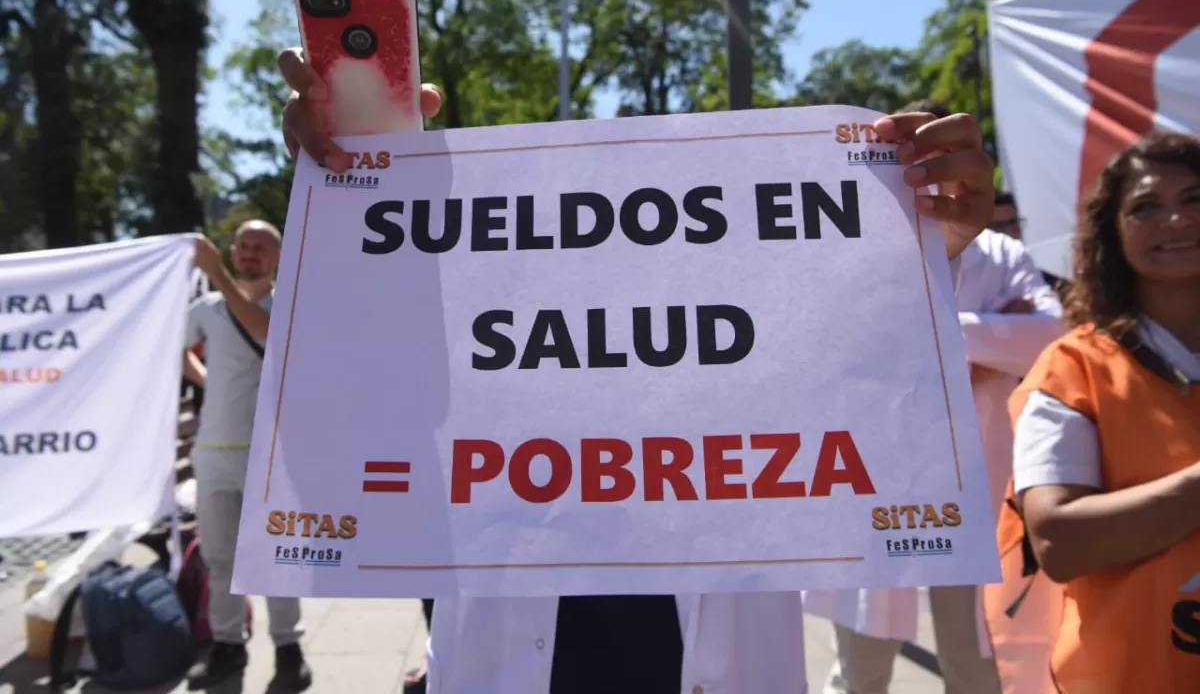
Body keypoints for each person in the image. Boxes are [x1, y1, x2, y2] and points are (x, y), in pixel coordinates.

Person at [276, 47, 1000, 694]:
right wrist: (354, 191)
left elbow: (868, 383)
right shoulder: (469, 392)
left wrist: (923, 257)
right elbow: (348, 400)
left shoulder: (770, 392)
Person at [806, 100, 1064, 694]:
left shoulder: (1003, 255)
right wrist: (988, 333)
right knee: (861, 670)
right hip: (881, 486)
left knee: (977, 668)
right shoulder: (851, 248)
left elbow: (1049, 337)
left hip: (979, 492)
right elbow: (833, 345)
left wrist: (930, 333)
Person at [985, 131, 1200, 692]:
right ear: (1114, 233)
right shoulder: (1073, 367)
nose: (1176, 220)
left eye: (1195, 199)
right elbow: (1059, 540)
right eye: (1146, 207)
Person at [183, 220, 313, 691]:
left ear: (278, 257)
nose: (250, 253)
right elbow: (175, 351)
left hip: (273, 454)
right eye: (243, 246)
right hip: (214, 451)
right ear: (234, 251)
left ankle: (288, 647)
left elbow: (259, 330)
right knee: (219, 559)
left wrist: (213, 270)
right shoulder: (206, 309)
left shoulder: (290, 304)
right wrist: (208, 382)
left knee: (277, 556)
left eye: (261, 247)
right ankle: (226, 644)